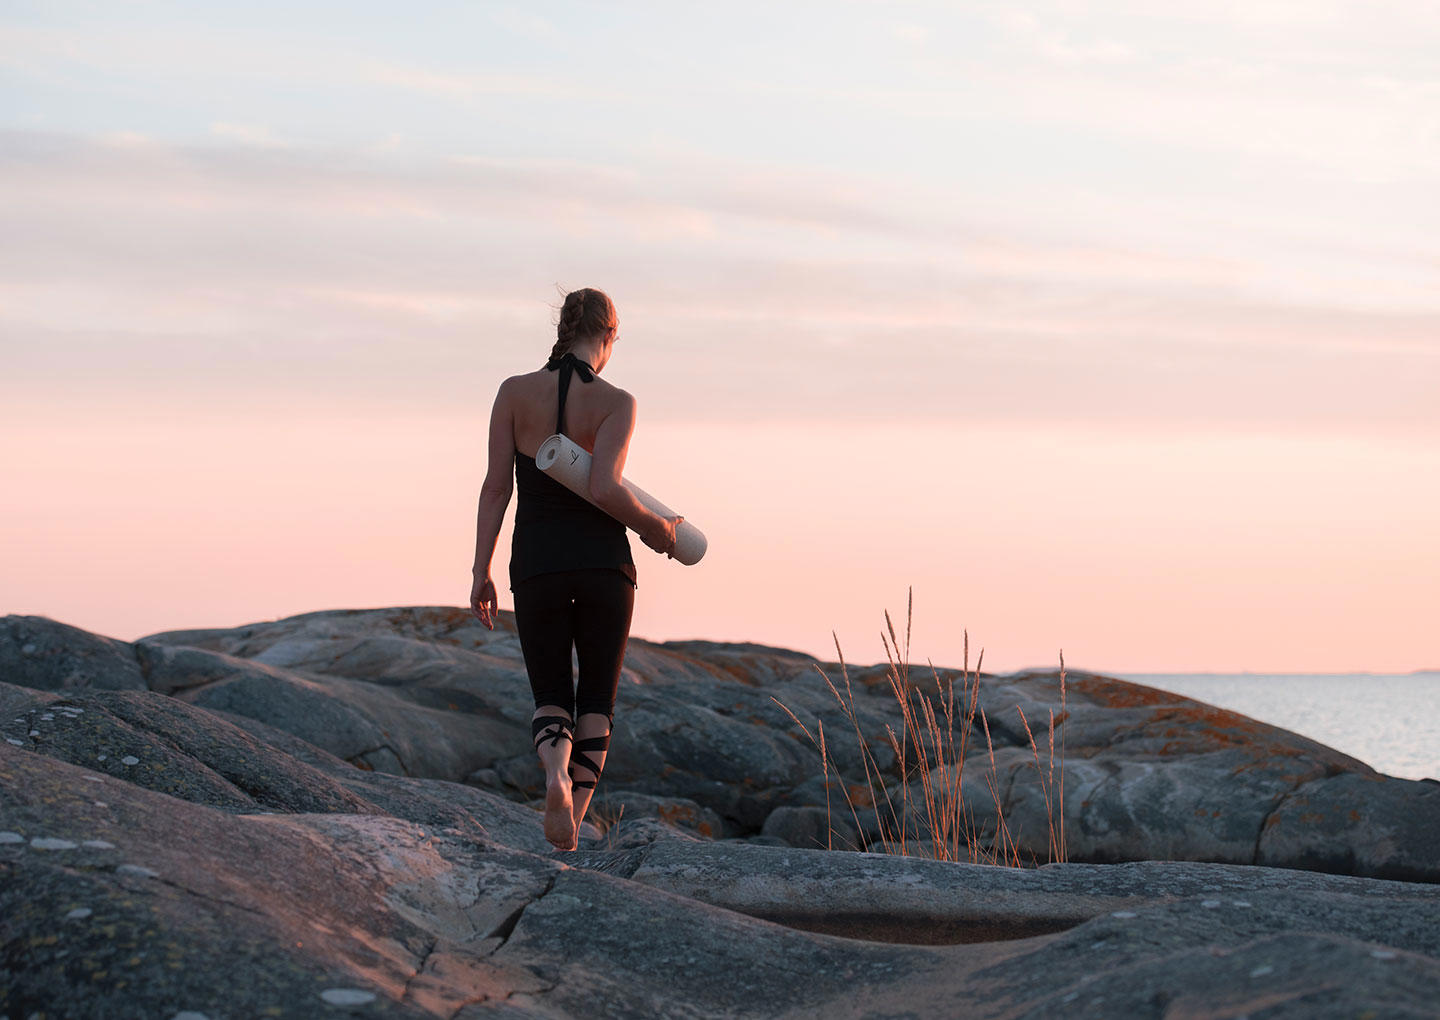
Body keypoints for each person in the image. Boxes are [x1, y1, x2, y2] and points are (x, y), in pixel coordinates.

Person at [469, 287, 683, 851]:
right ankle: (569, 834)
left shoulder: (513, 392)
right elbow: (605, 488)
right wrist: (657, 528)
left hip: (536, 562)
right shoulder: (617, 401)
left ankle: (555, 775)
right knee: (595, 703)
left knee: (550, 695)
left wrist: (481, 570)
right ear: (609, 335)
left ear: (563, 328)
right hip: (603, 565)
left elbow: (496, 488)